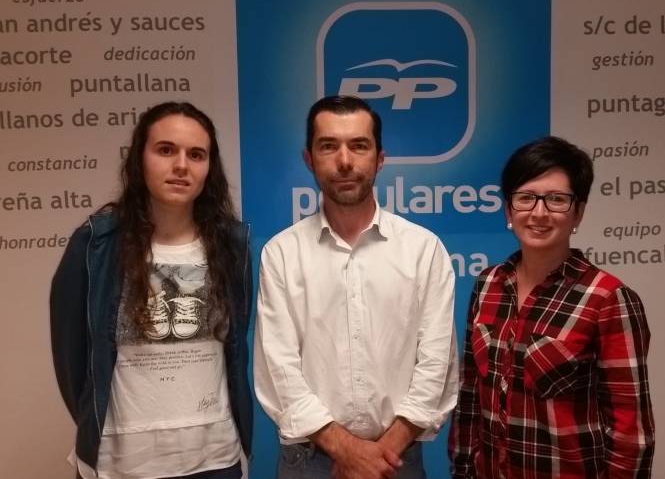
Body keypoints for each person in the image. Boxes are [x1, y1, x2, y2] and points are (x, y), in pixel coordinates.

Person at [254, 95, 458, 479]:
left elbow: (436, 365)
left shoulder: (423, 249)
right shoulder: (281, 254)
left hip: (396, 462)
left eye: (359, 145)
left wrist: (380, 455)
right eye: (328, 146)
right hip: (309, 464)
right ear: (309, 159)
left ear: (380, 159)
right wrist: (349, 452)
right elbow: (278, 368)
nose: (344, 160)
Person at [50, 101, 253, 479]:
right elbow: (71, 359)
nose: (181, 165)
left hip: (214, 459)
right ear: (139, 159)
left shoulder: (231, 244)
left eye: (196, 155)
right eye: (166, 150)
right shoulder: (95, 244)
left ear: (210, 168)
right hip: (121, 464)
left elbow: (236, 348)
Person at [449, 136, 655, 478]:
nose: (539, 212)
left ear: (578, 213)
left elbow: (631, 434)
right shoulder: (489, 285)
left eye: (556, 199)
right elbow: (470, 396)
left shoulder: (608, 299)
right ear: (508, 210)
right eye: (526, 198)